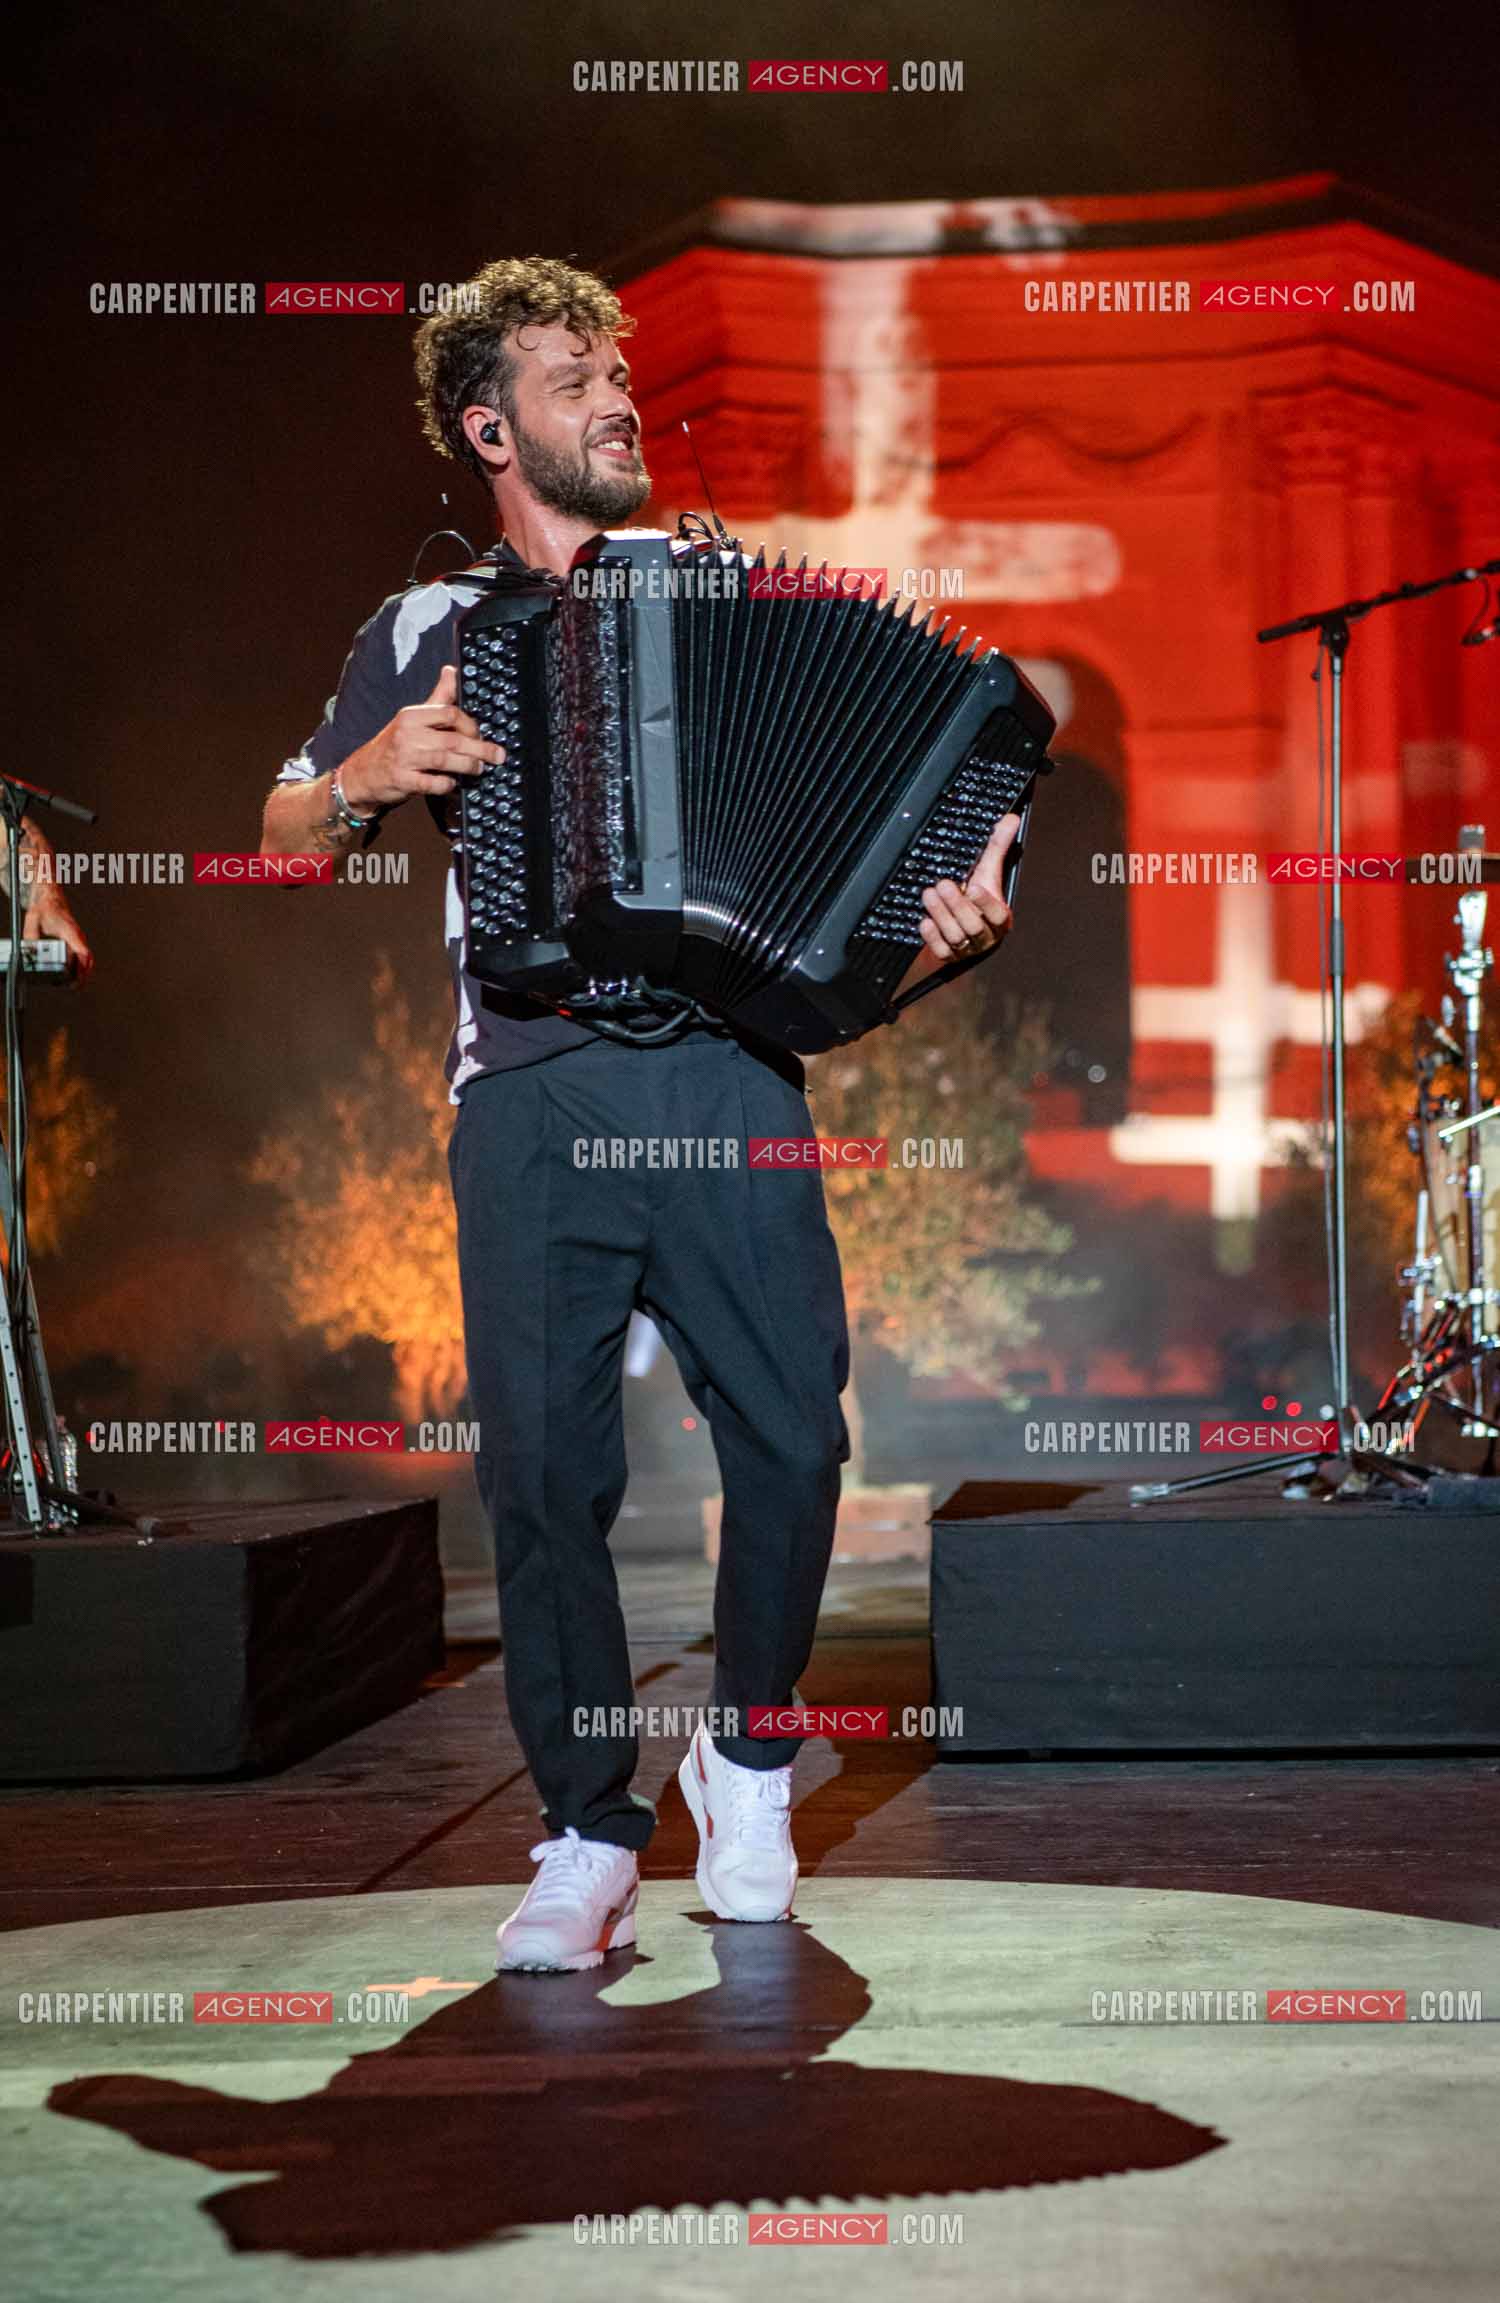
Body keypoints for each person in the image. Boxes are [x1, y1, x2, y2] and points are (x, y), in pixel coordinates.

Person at [261, 256, 1017, 1972]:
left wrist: (943, 904)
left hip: (726, 1067)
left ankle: (746, 1752)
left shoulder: (724, 580)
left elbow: (872, 802)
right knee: (544, 1476)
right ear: (491, 425)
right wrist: (367, 776)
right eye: (574, 377)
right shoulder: (425, 629)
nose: (619, 399)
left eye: (622, 372)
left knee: (799, 1439)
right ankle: (587, 1828)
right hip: (529, 1086)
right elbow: (282, 832)